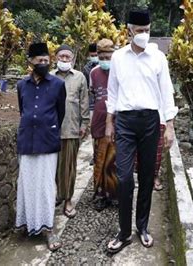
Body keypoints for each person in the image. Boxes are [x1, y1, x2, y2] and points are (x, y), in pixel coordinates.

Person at [105, 9, 178, 253]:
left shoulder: (158, 58)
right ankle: (124, 232)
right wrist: (109, 121)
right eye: (139, 31)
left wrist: (170, 126)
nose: (144, 35)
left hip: (150, 121)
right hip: (125, 121)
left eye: (147, 31)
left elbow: (166, 92)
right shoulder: (118, 58)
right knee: (125, 178)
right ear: (129, 31)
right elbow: (112, 92)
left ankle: (142, 227)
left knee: (147, 177)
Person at [15, 42, 66, 251]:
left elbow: (60, 112)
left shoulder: (57, 84)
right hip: (27, 140)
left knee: (45, 186)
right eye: (40, 60)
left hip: (47, 140)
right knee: (27, 183)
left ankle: (47, 228)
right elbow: (22, 109)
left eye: (46, 60)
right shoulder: (21, 86)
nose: (44, 63)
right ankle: (28, 224)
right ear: (31, 62)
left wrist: (49, 128)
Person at [53, 44, 90, 218]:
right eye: (62, 56)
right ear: (56, 58)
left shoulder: (80, 77)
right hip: (50, 131)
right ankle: (56, 195)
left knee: (69, 167)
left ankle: (68, 200)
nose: (65, 59)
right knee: (52, 168)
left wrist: (84, 124)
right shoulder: (49, 77)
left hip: (71, 128)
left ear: (73, 59)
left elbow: (84, 102)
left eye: (68, 57)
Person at [89, 38, 117, 211]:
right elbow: (92, 99)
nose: (106, 60)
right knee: (99, 159)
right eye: (102, 56)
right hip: (99, 121)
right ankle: (100, 195)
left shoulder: (120, 71)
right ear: (98, 56)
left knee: (113, 161)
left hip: (116, 121)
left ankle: (114, 195)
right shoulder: (93, 73)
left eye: (109, 56)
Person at [83, 43, 99, 166]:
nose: (95, 57)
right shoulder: (87, 69)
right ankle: (96, 155)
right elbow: (86, 88)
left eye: (96, 55)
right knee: (94, 131)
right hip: (92, 103)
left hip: (106, 102)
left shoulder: (108, 65)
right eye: (92, 55)